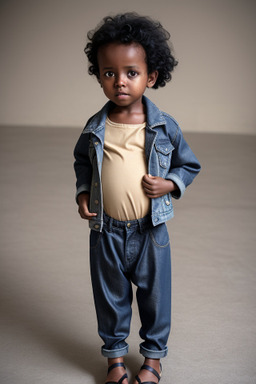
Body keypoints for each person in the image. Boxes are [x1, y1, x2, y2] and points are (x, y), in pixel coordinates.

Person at [73, 12, 201, 384]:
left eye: (131, 72)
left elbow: (189, 165)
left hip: (150, 231)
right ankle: (114, 360)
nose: (120, 82)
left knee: (155, 299)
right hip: (106, 231)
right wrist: (83, 192)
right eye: (109, 73)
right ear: (99, 76)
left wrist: (170, 184)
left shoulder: (163, 126)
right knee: (110, 298)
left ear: (152, 76)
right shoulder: (96, 128)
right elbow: (83, 162)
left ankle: (152, 359)